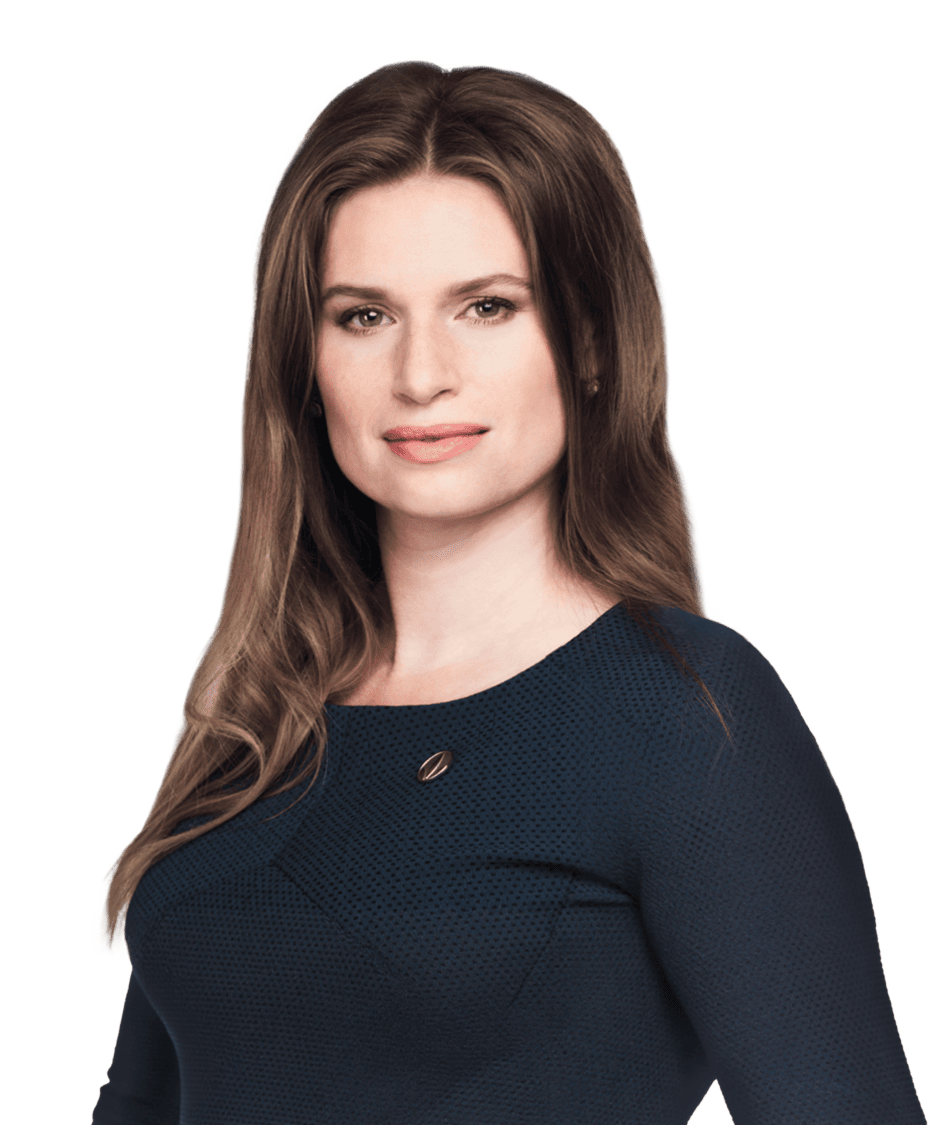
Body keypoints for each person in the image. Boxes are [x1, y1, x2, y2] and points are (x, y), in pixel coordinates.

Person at [91, 60, 925, 1124]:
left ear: (590, 342)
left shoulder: (683, 715)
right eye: (363, 316)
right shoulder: (259, 699)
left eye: (486, 306)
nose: (419, 375)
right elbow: (141, 1099)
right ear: (304, 362)